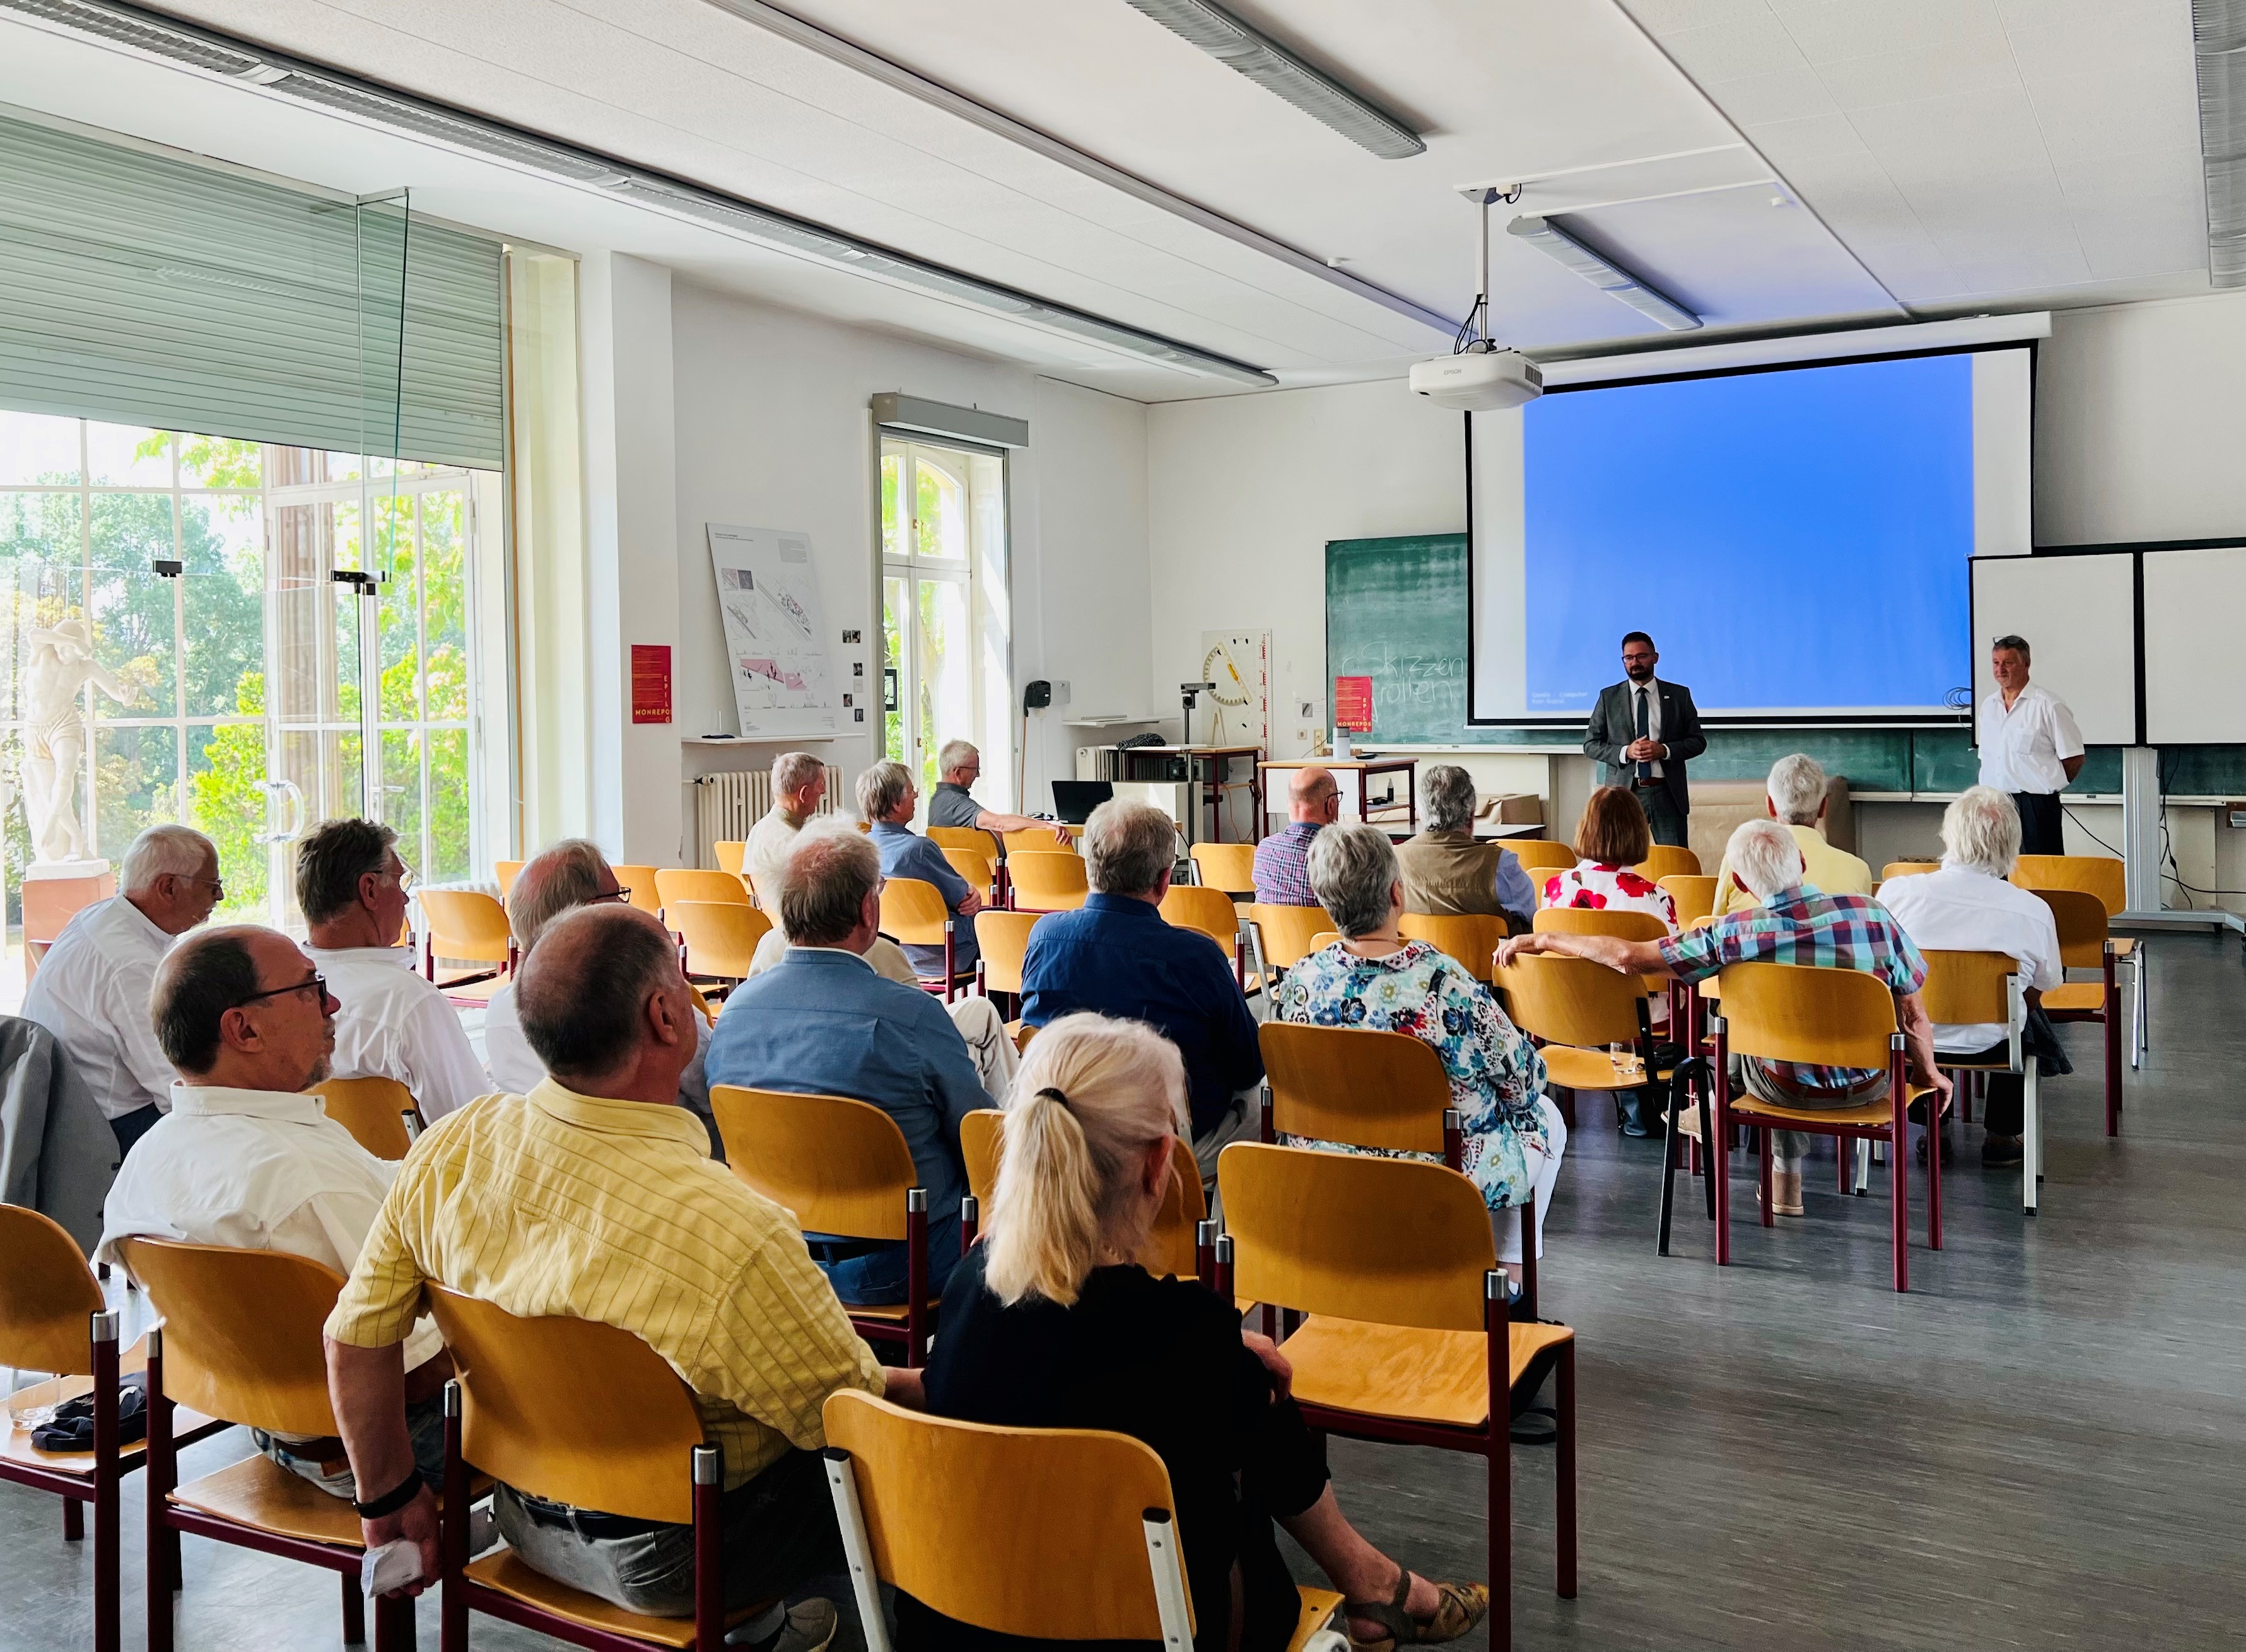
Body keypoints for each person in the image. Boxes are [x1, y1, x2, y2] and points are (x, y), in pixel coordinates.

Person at [325, 902, 915, 1651]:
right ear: (665, 1016)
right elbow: (850, 1416)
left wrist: (387, 1496)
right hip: (688, 1558)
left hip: (522, 1517)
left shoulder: (450, 1150)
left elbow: (353, 1338)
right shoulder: (730, 1227)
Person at [915, 1015, 1488, 1652]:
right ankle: (1371, 1581)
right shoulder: (1188, 1331)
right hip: (1155, 1630)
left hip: (962, 1617)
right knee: (1254, 1394)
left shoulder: (968, 1288)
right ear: (1159, 1164)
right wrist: (1237, 1364)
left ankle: (1370, 1579)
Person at [99, 926, 449, 1498]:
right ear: (244, 1029)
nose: (333, 1005)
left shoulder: (148, 1159)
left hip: (271, 1426)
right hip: (388, 1447)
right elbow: (419, 1371)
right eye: (311, 990)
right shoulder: (304, 1179)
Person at [1501, 818, 1950, 1219]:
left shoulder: (1733, 931)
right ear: (1800, 861)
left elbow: (1627, 957)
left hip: (1778, 1086)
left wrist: (1543, 939)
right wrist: (1928, 1074)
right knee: (1778, 1027)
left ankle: (1755, 1149)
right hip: (1870, 1086)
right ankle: (1760, 1152)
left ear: (1738, 879)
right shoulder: (1872, 915)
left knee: (1740, 1017)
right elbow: (1912, 1014)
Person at [706, 825, 991, 1301]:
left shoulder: (732, 1016)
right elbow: (977, 1134)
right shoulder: (913, 1015)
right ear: (868, 910)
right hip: (908, 1263)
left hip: (776, 1256)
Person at [1273, 824, 1564, 1284]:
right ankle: (1504, 1280)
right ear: (1396, 893)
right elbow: (1526, 1082)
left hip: (1330, 1169)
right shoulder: (1443, 982)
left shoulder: (1299, 983)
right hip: (1438, 1176)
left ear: (1327, 900)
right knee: (1547, 1116)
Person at [1018, 800, 1263, 1195]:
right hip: (1161, 1142)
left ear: (1088, 868)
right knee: (1259, 1096)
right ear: (1164, 881)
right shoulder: (1196, 956)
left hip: (1063, 1130)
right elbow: (1247, 1067)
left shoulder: (1044, 936)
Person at [484, 839, 718, 1149]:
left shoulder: (498, 1009)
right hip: (661, 1156)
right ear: (593, 911)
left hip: (552, 1153)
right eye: (618, 895)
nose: (626, 905)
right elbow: (715, 1087)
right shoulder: (643, 995)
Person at [1875, 788, 2063, 1169]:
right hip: (1995, 1043)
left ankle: (1933, 1128)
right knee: (2023, 1014)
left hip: (1910, 1038)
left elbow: (1878, 970)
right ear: (2013, 844)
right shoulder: (2033, 910)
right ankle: (2002, 1135)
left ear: (1949, 836)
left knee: (1909, 1002)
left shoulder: (1897, 894)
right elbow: (2041, 987)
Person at [22, 823, 221, 1156]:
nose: (220, 897)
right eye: (213, 885)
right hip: (106, 1131)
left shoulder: (100, 915)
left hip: (61, 1107)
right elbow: (176, 1090)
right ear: (169, 887)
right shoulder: (131, 965)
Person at [297, 819, 489, 1124]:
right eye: (400, 883)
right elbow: (472, 1124)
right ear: (370, 890)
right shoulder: (408, 1001)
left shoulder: (281, 995)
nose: (405, 898)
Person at [1581, 631, 1705, 849]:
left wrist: (1664, 750)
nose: (1635, 663)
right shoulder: (1609, 697)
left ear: (1655, 657)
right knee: (1620, 857)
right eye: (1628, 658)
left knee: (1673, 859)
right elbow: (1591, 745)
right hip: (1624, 794)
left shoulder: (1679, 695)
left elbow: (1698, 741)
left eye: (1641, 656)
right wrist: (1626, 752)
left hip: (1667, 793)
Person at [860, 759, 981, 982]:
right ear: (896, 804)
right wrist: (972, 890)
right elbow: (963, 899)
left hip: (894, 955)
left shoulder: (860, 849)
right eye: (910, 791)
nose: (916, 795)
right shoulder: (919, 850)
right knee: (1003, 932)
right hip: (949, 954)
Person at [1712, 753, 1873, 916]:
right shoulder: (1858, 869)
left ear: (1771, 807)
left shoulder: (1737, 861)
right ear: (1824, 807)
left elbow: (1713, 921)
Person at [1977, 634, 2085, 858]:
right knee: (1996, 870)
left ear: (2026, 664)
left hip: (2034, 806)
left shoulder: (2048, 705)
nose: (2000, 669)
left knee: (2038, 871)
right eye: (1996, 663)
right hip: (1994, 804)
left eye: (2008, 663)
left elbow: (2074, 758)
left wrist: (2046, 785)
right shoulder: (1989, 706)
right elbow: (1988, 758)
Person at [1394, 763, 1534, 933]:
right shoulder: (1500, 864)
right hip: (1490, 951)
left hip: (1416, 951)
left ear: (1421, 812)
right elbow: (1534, 917)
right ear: (1471, 813)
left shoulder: (1393, 860)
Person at [926, 740, 1069, 844]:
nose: (978, 775)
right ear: (958, 773)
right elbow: (999, 823)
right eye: (975, 769)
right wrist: (1047, 826)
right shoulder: (956, 803)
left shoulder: (936, 800)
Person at [742, 751, 829, 900]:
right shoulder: (799, 845)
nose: (823, 790)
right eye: (820, 784)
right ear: (804, 794)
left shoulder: (756, 831)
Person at [1251, 765, 1340, 905]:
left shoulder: (1264, 849)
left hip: (1269, 921)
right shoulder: (1341, 856)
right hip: (1323, 921)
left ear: (1289, 804)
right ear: (1331, 805)